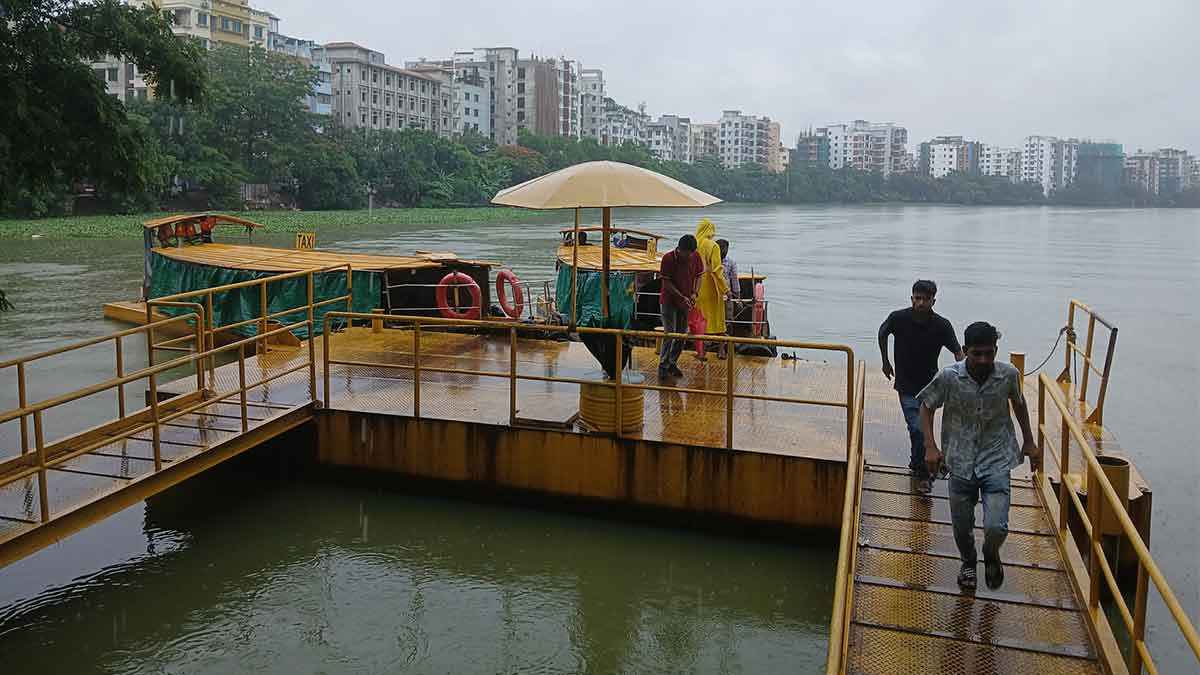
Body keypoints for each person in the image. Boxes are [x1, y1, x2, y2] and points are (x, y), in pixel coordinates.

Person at [917, 322, 1039, 590]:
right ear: (964, 351)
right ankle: (969, 562)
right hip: (959, 461)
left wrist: (1029, 440)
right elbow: (926, 406)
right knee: (962, 527)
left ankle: (991, 554)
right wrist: (930, 446)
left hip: (997, 459)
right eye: (977, 353)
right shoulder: (949, 377)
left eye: (989, 353)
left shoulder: (1008, 375)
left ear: (996, 350)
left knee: (997, 526)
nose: (984, 360)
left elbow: (1019, 402)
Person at [878, 280, 964, 484]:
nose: (921, 303)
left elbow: (958, 352)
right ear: (911, 299)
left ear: (934, 301)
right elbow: (882, 333)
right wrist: (885, 361)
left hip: (930, 387)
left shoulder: (942, 325)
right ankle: (923, 467)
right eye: (917, 298)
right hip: (906, 384)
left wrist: (966, 375)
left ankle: (920, 464)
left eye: (926, 299)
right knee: (917, 428)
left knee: (922, 429)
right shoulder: (898, 318)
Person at [658, 234, 702, 379]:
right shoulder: (668, 258)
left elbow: (699, 276)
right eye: (687, 253)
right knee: (669, 334)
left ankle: (672, 363)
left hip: (686, 301)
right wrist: (681, 297)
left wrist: (695, 293)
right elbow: (666, 283)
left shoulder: (696, 256)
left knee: (682, 335)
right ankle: (663, 365)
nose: (690, 256)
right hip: (669, 301)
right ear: (680, 249)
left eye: (692, 253)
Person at [694, 219, 730, 360]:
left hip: (697, 289)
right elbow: (716, 270)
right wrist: (725, 289)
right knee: (718, 322)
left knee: (699, 321)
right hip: (711, 289)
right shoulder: (713, 246)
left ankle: (701, 352)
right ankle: (721, 351)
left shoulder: (694, 245)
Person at [717, 238, 739, 358]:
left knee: (727, 322)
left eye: (725, 249)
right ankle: (705, 346)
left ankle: (722, 348)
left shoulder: (731, 262)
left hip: (727, 297)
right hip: (713, 297)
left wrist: (737, 297)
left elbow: (734, 280)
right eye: (721, 249)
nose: (723, 251)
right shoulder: (710, 261)